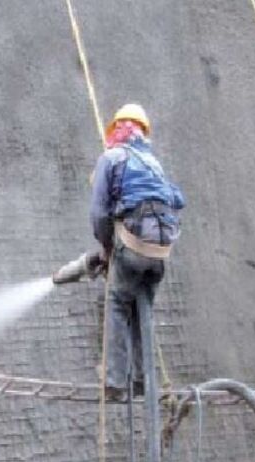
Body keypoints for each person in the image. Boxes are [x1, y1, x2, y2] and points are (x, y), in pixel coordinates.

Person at [90, 103, 186, 401]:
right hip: (161, 251)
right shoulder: (154, 164)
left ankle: (115, 382)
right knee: (141, 307)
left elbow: (99, 214)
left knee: (118, 303)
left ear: (117, 130)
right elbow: (177, 198)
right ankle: (143, 381)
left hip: (132, 247)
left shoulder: (111, 158)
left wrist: (106, 247)